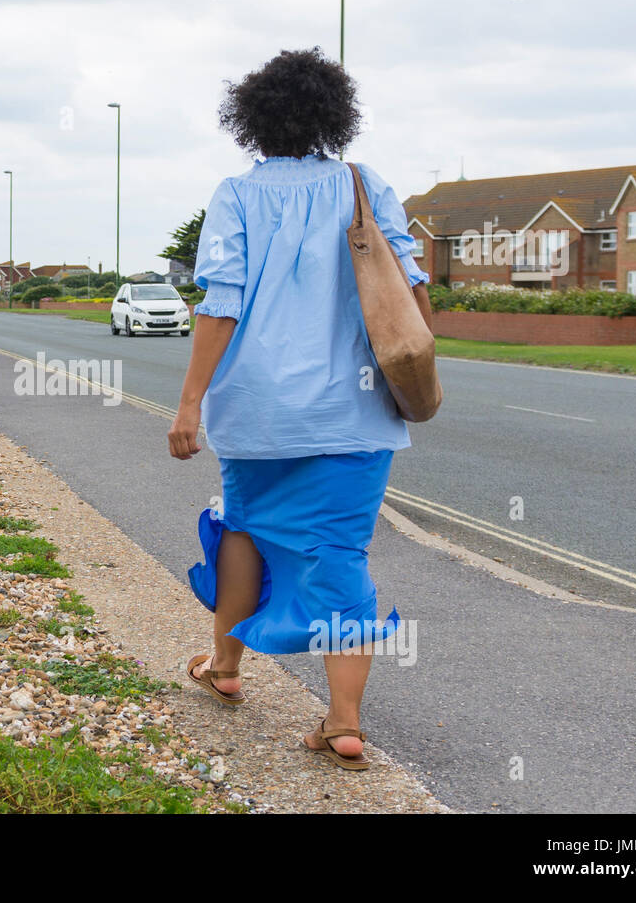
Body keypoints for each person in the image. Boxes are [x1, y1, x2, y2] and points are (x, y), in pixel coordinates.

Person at [168, 47, 433, 772]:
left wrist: (190, 401)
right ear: (334, 114)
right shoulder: (364, 183)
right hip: (355, 413)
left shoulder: (236, 195)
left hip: (259, 414)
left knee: (243, 527)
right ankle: (343, 722)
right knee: (340, 553)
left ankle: (225, 668)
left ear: (251, 119)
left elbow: (219, 303)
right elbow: (410, 283)